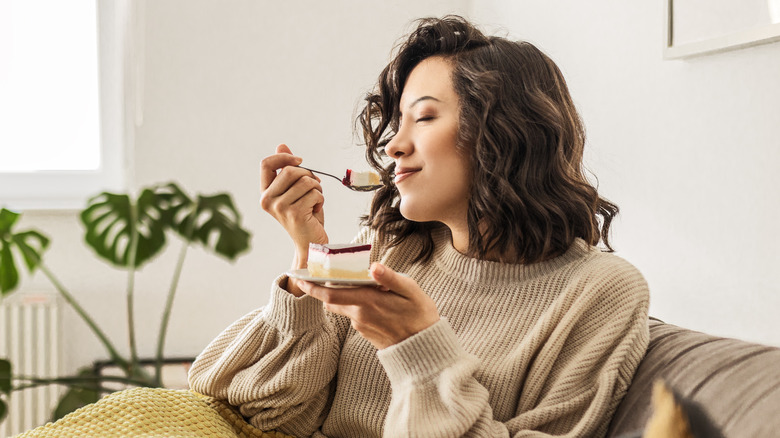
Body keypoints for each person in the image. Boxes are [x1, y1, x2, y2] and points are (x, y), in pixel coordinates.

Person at [188, 15, 650, 438]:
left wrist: (417, 347)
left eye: (425, 117)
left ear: (505, 132)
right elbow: (274, 415)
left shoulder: (601, 291)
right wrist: (308, 260)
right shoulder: (395, 247)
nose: (393, 146)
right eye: (398, 121)